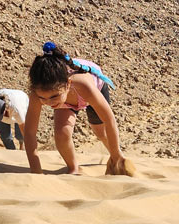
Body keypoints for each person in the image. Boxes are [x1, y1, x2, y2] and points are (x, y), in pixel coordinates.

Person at [24, 41, 135, 175]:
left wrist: (116, 156)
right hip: (65, 99)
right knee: (62, 134)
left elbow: (109, 119)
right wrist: (36, 170)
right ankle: (73, 168)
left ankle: (116, 156)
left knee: (100, 132)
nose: (48, 103)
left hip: (94, 91)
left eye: (53, 97)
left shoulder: (84, 85)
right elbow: (30, 132)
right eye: (43, 98)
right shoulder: (38, 94)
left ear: (68, 84)